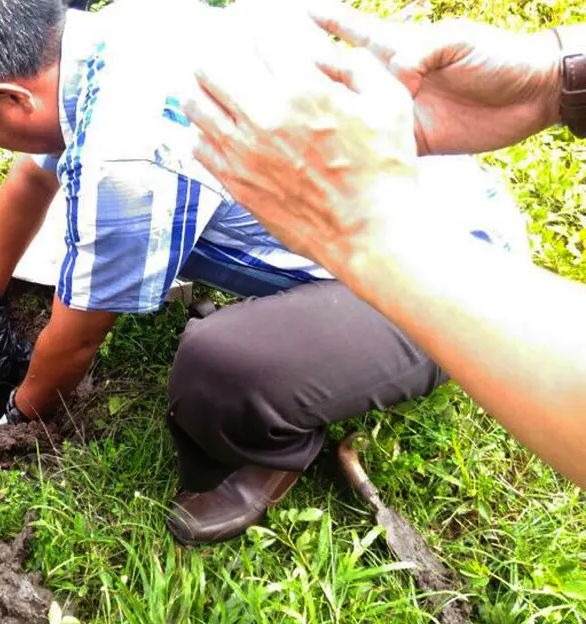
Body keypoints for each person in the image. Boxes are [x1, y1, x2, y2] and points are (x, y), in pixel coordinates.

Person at [0, 0, 529, 545]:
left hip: (449, 283)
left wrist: (18, 417)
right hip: (423, 196)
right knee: (85, 220)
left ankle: (271, 452)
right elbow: (34, 173)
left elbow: (81, 334)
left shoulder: (122, 157)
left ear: (12, 98)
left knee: (218, 364)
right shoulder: (103, 40)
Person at [181, 0, 586, 489]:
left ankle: (274, 458)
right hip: (450, 199)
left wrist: (370, 225)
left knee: (220, 367)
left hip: (470, 258)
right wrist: (555, 79)